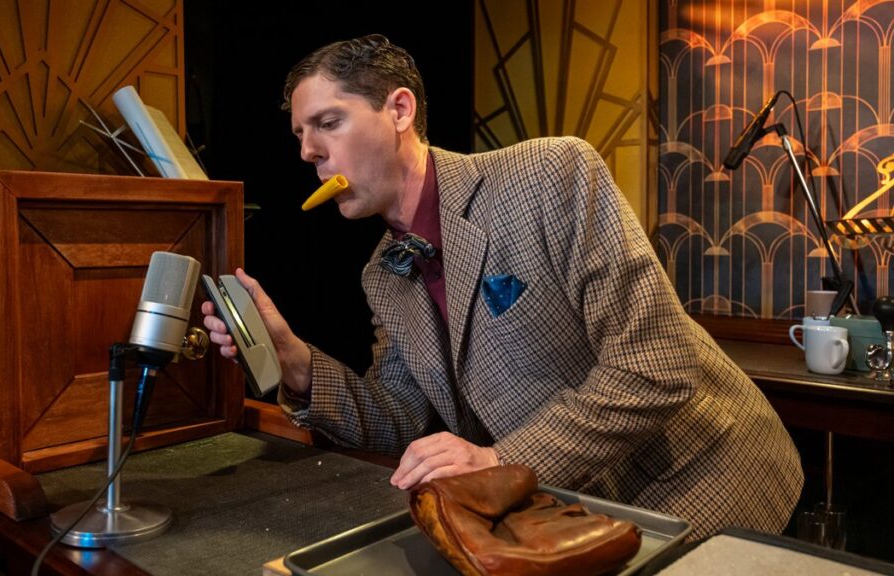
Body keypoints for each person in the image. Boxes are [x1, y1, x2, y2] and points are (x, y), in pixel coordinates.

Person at [202, 34, 803, 539]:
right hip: (575, 509)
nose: (309, 152)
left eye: (328, 124)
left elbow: (657, 366)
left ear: (400, 110)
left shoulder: (549, 174)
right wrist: (297, 364)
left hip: (699, 481)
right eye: (300, 135)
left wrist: (499, 459)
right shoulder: (382, 273)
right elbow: (408, 421)